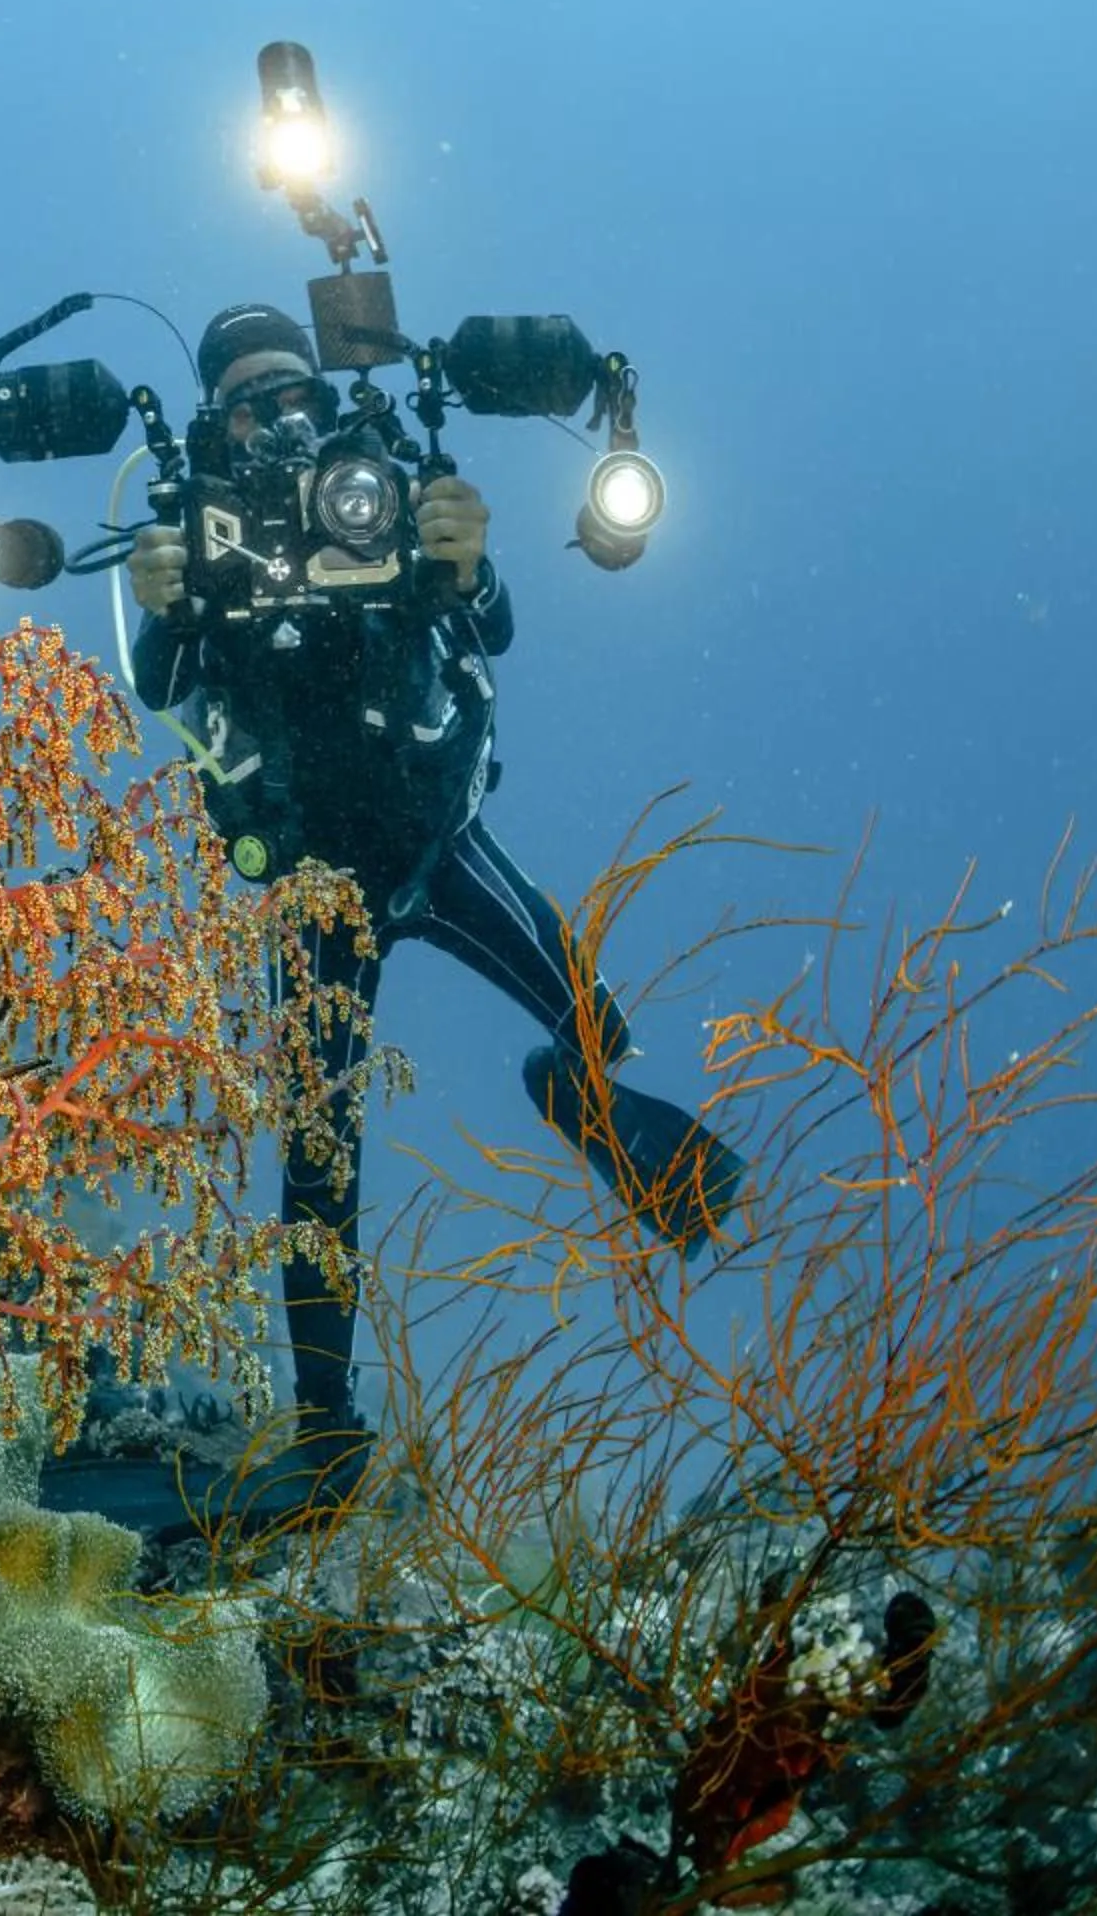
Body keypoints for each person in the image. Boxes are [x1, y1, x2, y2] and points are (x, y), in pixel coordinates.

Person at [125, 303, 744, 1532]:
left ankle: (603, 1116)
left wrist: (471, 553)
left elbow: (492, 624)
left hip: (437, 841)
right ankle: (323, 1426)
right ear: (214, 423)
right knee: (317, 1155)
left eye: (297, 390)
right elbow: (161, 686)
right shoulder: (203, 530)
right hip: (309, 884)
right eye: (252, 400)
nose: (284, 417)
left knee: (586, 1015)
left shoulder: (391, 484)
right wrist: (166, 594)